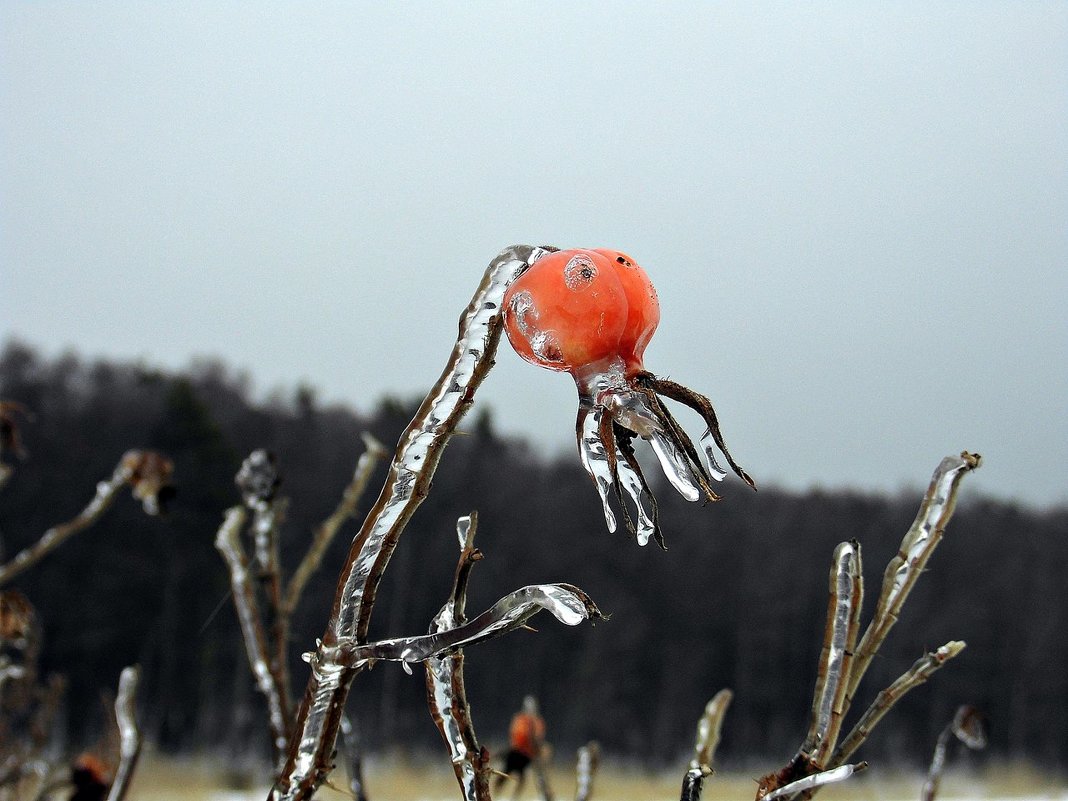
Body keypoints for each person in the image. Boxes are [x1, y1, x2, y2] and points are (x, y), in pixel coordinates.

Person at [495, 696, 546, 794]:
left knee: (522, 777)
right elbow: (517, 735)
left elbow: (539, 737)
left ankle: (514, 796)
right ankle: (497, 791)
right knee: (507, 771)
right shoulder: (520, 719)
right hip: (517, 752)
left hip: (527, 755)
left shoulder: (537, 721)